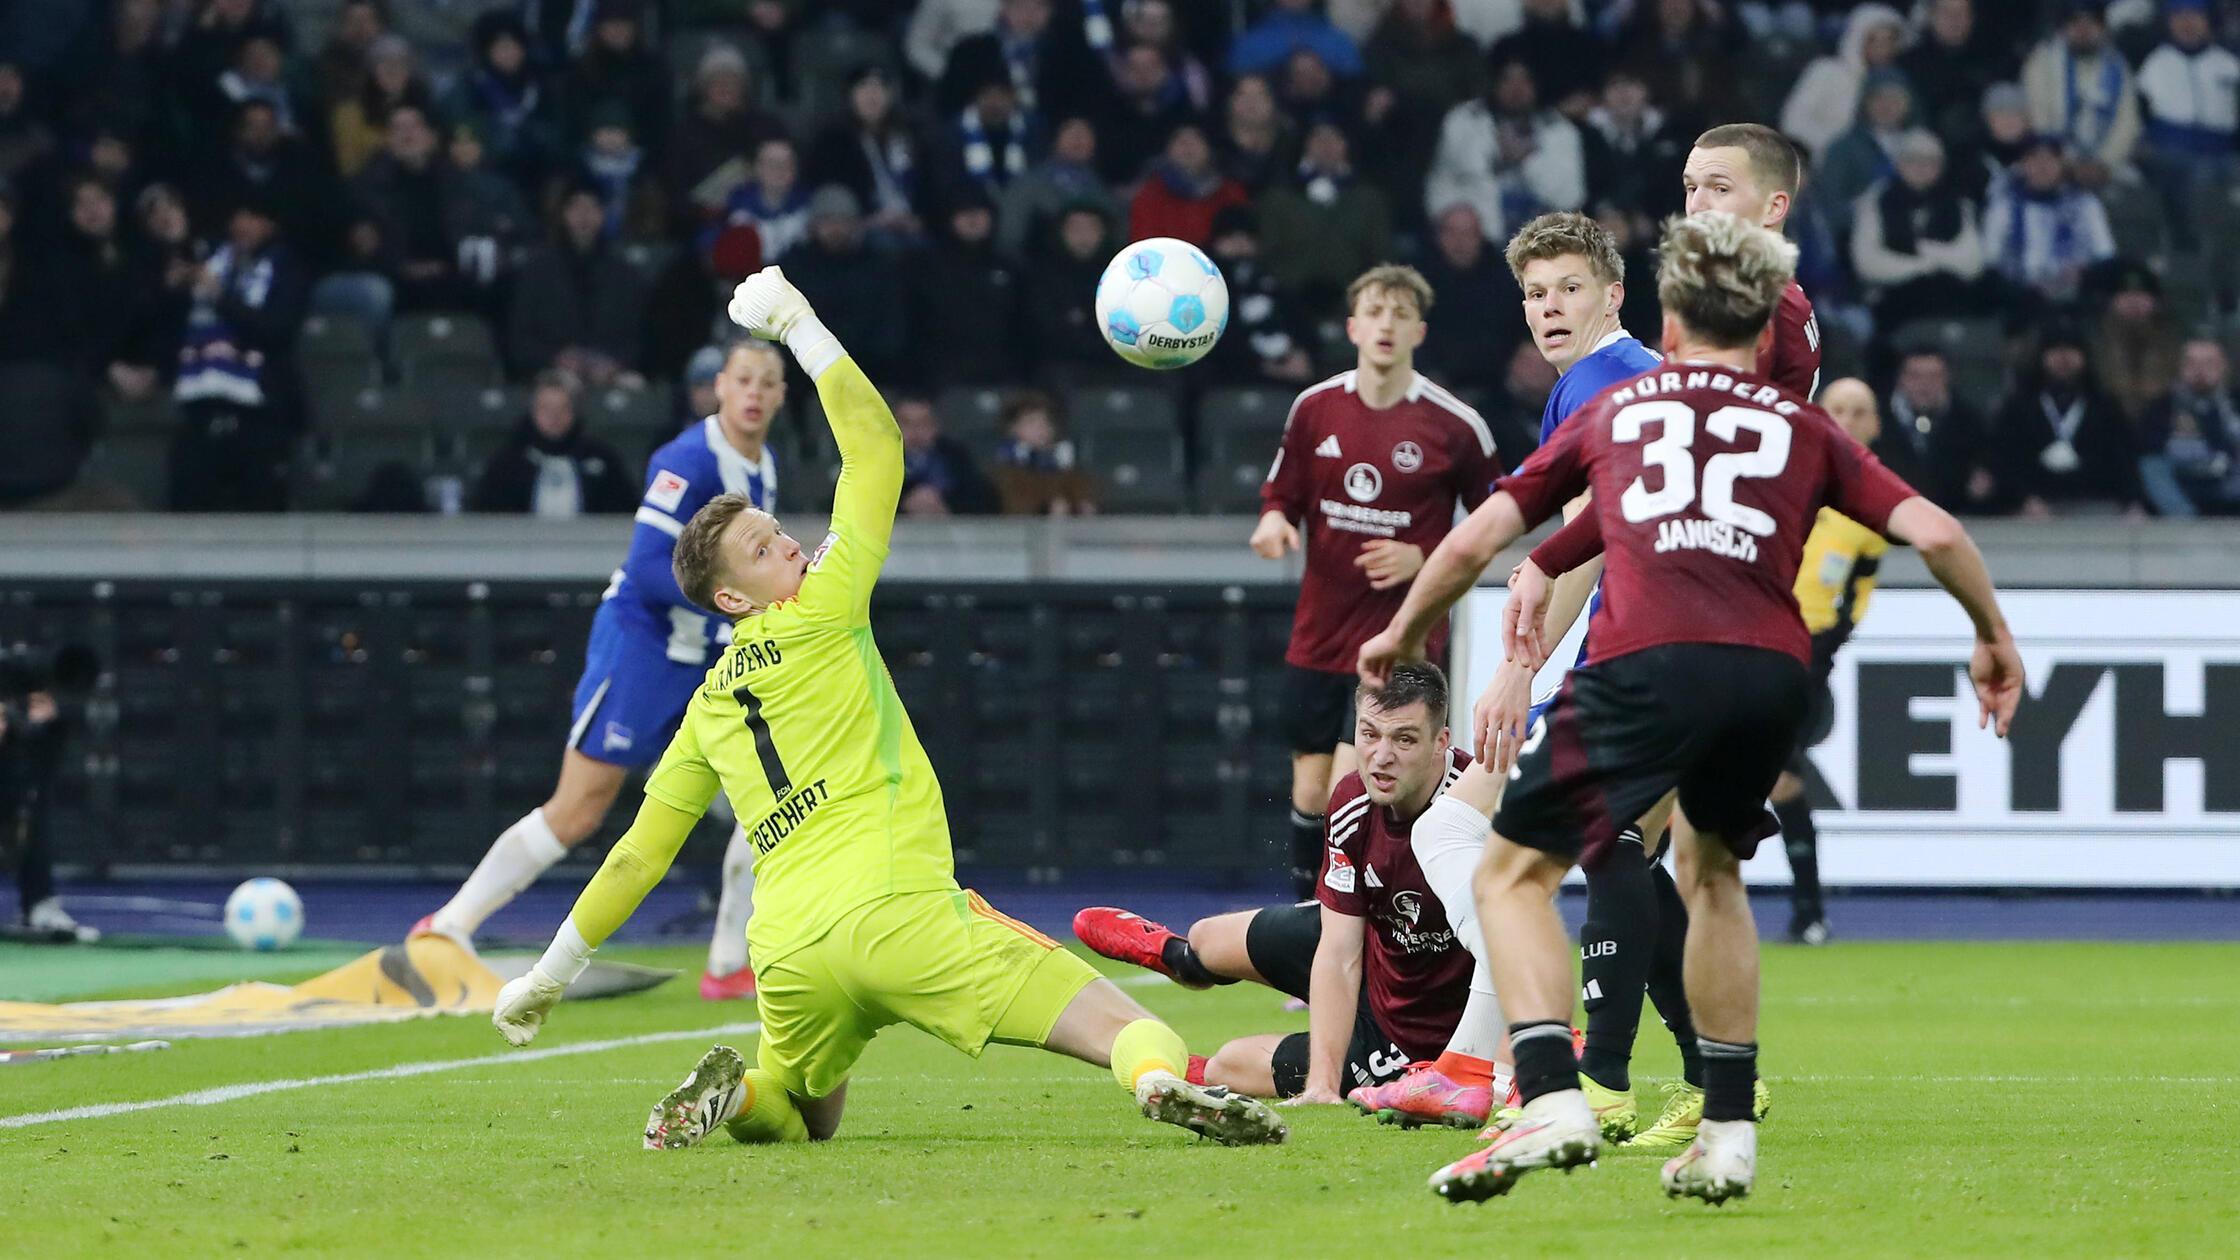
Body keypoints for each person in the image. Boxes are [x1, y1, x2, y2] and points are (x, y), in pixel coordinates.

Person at [490, 266, 1288, 1153]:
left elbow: (640, 854)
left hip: (790, 955)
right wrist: (797, 321)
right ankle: (1161, 1083)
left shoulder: (707, 710)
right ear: (734, 601)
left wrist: (551, 973)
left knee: (801, 1111)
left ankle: (740, 1097)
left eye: (776, 528)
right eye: (762, 548)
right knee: (1126, 1027)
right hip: (903, 915)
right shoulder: (824, 606)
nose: (788, 541)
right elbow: (875, 449)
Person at [1357, 210, 2023, 1205]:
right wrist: (1990, 636)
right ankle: (1724, 1129)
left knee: (1506, 873)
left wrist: (1402, 635)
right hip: (1766, 678)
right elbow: (1933, 530)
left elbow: (1472, 540)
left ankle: (1550, 1093)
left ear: (1662, 323)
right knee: (1710, 879)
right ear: (1761, 330)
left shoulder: (1615, 409)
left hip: (1643, 665)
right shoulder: (1799, 423)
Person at [1363, 210, 1664, 1136]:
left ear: (1613, 293)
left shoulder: (1604, 382)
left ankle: (1557, 1057)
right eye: (1534, 293)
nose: (1548, 306)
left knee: (1463, 831)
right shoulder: (1618, 376)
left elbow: (1583, 545)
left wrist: (1516, 673)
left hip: (1637, 649)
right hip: (1680, 643)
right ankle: (1492, 1063)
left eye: (1569, 287)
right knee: (1655, 864)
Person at [412, 341, 786, 1001]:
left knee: (768, 801)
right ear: (720, 387)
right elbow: (647, 568)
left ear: (782, 397)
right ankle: (447, 925)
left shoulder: (765, 467)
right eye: (744, 380)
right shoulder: (687, 460)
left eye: (769, 382)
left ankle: (730, 961)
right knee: (579, 808)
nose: (755, 393)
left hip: (708, 658)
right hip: (644, 648)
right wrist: (741, 608)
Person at [1073, 663, 1490, 1108]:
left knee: (1230, 1064)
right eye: (1369, 735)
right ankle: (1180, 959)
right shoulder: (1353, 799)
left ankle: (1194, 1073)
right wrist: (1322, 1086)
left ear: (1440, 742)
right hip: (1374, 943)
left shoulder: (1477, 813)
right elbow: (1339, 951)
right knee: (1208, 938)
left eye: (1404, 739)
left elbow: (1511, 947)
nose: (1381, 756)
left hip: (1415, 1035)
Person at [1252, 264, 1502, 903]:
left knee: (1352, 786)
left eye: (1400, 314)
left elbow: (1497, 523)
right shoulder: (1315, 408)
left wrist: (1426, 558)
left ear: (1418, 330)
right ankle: (1309, 929)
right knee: (1310, 792)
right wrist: (1275, 520)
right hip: (1318, 635)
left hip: (1400, 643)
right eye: (1375, 311)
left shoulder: (1455, 426)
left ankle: (1356, 937)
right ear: (1353, 326)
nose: (1386, 325)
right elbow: (1282, 491)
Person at [1771, 378, 1887, 946]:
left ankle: (1809, 908)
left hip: (1801, 662)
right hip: (1742, 642)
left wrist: (1813, 652)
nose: (1845, 418)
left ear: (1875, 426)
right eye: (1836, 408)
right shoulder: (1776, 479)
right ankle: (1808, 909)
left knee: (1778, 778)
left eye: (1858, 411)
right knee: (1777, 781)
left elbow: (1850, 606)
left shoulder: (1868, 511)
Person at [469, 371, 638, 516]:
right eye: (546, 408)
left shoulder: (603, 459)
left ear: (575, 411)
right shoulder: (507, 463)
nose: (554, 416)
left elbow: (625, 512)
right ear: (533, 411)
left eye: (562, 408)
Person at [2138, 338, 2240, 517]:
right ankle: (2184, 517)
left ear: (2223, 367)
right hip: (2181, 482)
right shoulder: (2161, 406)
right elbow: (2150, 453)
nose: (2200, 370)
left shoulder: (2234, 403)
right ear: (2180, 367)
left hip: (2228, 482)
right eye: (2192, 363)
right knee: (2151, 465)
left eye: (2209, 363)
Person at [989, 390, 1096, 515]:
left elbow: (1087, 501)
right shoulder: (1001, 473)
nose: (1041, 428)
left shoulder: (1068, 470)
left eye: (1046, 422)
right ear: (1012, 429)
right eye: (1031, 422)